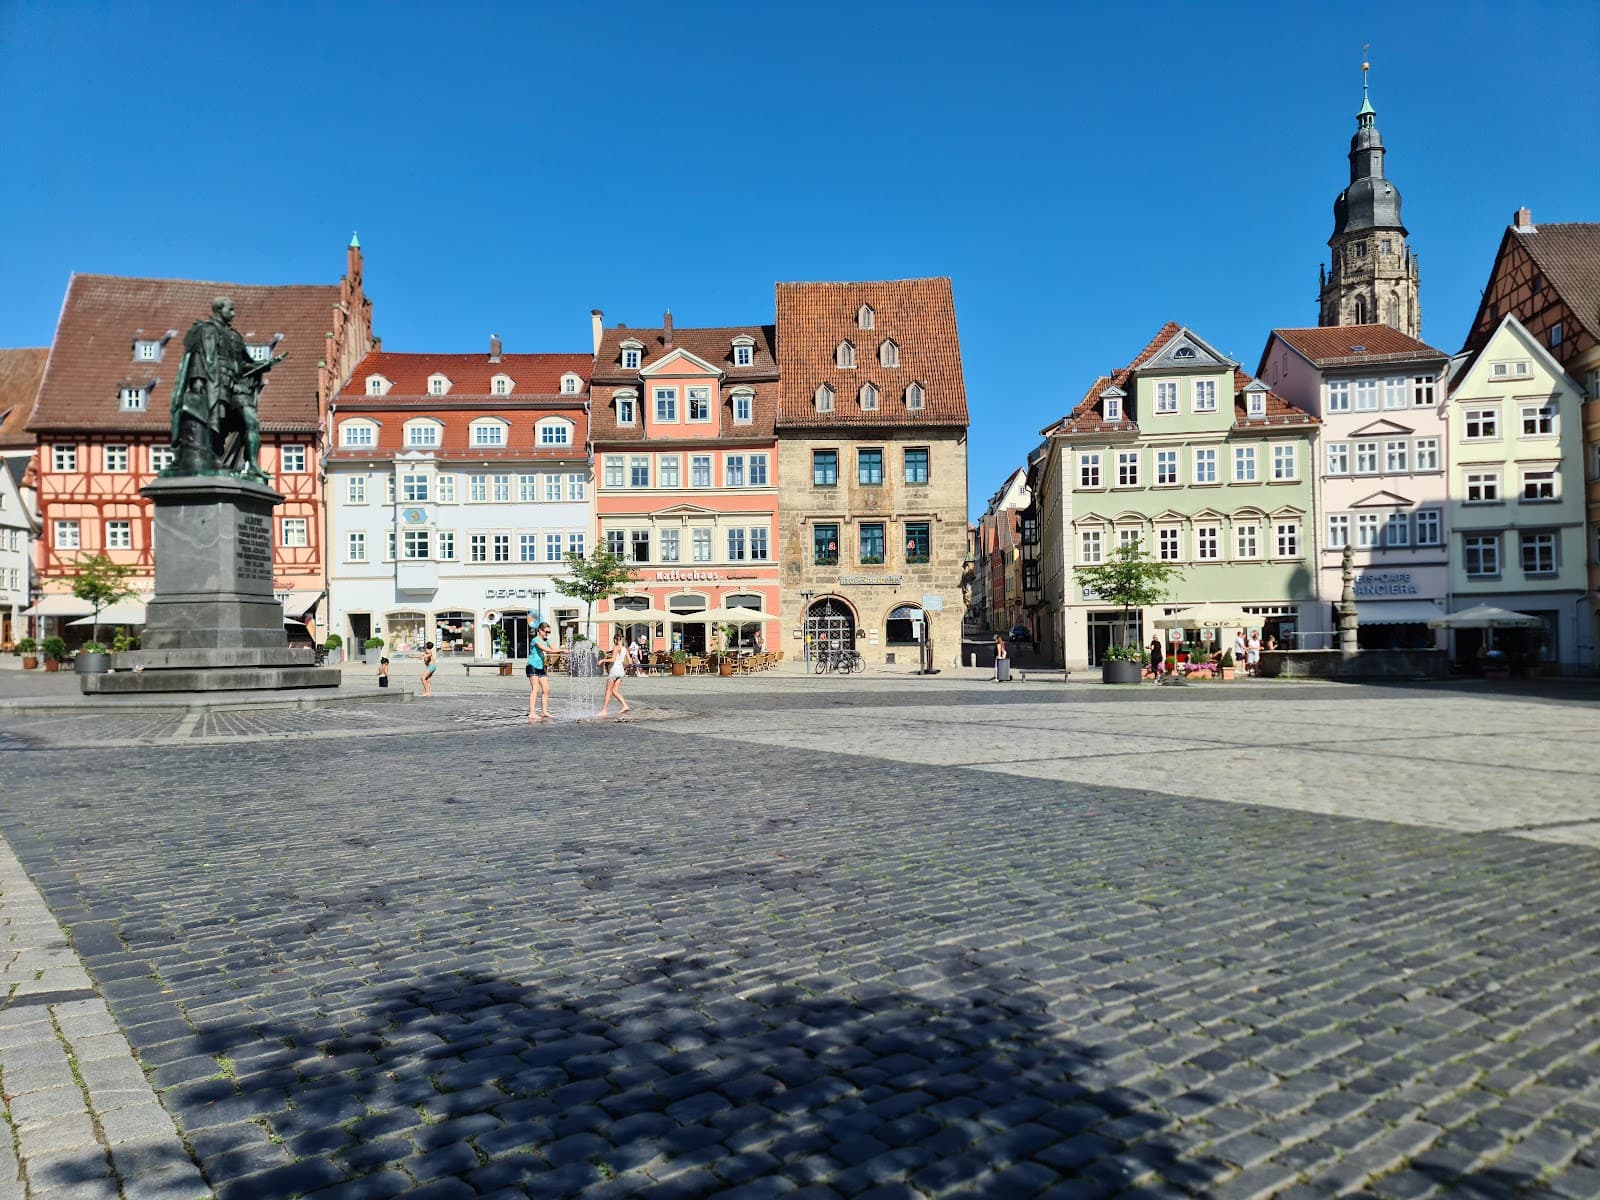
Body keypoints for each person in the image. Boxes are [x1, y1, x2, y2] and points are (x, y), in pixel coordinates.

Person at [598, 631, 632, 718]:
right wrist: (624, 669)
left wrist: (602, 660)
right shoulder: (625, 649)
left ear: (616, 640)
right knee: (615, 691)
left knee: (608, 692)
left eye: (614, 640)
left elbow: (613, 660)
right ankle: (625, 705)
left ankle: (604, 710)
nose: (614, 642)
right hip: (621, 670)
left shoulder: (617, 647)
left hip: (614, 669)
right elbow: (630, 662)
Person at [527, 622, 554, 721]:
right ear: (540, 630)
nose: (548, 634)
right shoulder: (535, 640)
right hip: (532, 665)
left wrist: (566, 650)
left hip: (541, 666)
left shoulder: (546, 640)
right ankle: (532, 713)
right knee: (535, 688)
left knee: (546, 689)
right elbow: (547, 650)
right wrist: (561, 651)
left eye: (549, 632)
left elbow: (553, 649)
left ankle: (544, 711)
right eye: (546, 632)